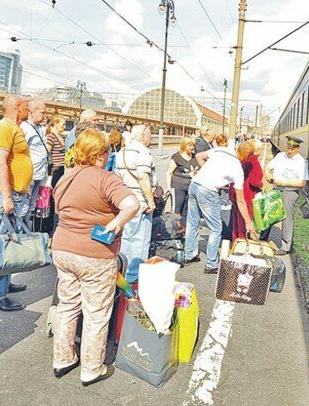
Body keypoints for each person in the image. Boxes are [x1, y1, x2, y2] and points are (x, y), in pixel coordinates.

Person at [51, 129, 140, 386]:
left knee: (67, 305)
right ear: (101, 153)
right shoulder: (105, 179)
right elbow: (131, 204)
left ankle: (63, 359)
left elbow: (59, 210)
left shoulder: (65, 178)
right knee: (96, 312)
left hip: (63, 250)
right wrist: (117, 222)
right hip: (95, 255)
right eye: (107, 151)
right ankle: (91, 368)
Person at [0, 94, 33, 311]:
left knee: (9, 242)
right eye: (26, 107)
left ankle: (4, 284)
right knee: (2, 244)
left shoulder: (15, 128)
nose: (28, 111)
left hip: (16, 194)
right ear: (17, 106)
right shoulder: (2, 128)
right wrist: (6, 197)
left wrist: (25, 190)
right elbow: (0, 165)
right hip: (7, 195)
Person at [184, 135, 256, 274]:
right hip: (208, 191)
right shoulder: (237, 169)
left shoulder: (220, 150)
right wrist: (248, 222)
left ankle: (189, 255)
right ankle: (211, 264)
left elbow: (199, 156)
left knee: (192, 222)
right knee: (216, 229)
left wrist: (209, 172)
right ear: (246, 155)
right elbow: (240, 200)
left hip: (194, 185)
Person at [114, 124, 156, 280]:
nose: (150, 138)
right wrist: (150, 201)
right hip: (140, 202)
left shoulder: (121, 152)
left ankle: (122, 271)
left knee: (126, 238)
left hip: (125, 201)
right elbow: (143, 176)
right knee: (141, 240)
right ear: (144, 136)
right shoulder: (143, 152)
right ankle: (134, 277)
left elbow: (116, 178)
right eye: (150, 135)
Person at [265, 135, 309, 255]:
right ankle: (263, 240)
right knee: (269, 214)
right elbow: (268, 167)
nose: (289, 150)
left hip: (290, 192)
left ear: (298, 148)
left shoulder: (301, 162)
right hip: (276, 188)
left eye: (292, 148)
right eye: (288, 147)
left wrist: (283, 182)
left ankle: (286, 246)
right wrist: (267, 173)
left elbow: (302, 182)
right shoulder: (280, 156)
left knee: (286, 218)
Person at [21, 99, 50, 226]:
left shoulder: (39, 128)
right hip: (30, 174)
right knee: (24, 206)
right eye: (42, 113)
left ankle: (28, 230)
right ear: (31, 112)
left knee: (32, 206)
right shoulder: (25, 128)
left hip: (40, 172)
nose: (45, 116)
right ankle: (21, 230)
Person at [229, 140, 263, 240]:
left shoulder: (236, 157)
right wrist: (261, 185)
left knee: (235, 225)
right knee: (243, 226)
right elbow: (255, 181)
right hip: (245, 197)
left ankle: (235, 244)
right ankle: (242, 248)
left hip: (234, 193)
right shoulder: (253, 159)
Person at [166, 135, 198, 216]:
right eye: (190, 145)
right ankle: (174, 227)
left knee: (186, 212)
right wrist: (169, 187)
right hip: (178, 188)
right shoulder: (177, 157)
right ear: (184, 145)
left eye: (193, 145)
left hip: (190, 189)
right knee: (176, 211)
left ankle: (183, 227)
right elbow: (169, 172)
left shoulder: (195, 157)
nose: (192, 147)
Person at [46, 116, 67, 186]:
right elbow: (47, 153)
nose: (65, 127)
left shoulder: (63, 137)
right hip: (55, 170)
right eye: (63, 124)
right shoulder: (51, 137)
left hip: (62, 168)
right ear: (55, 123)